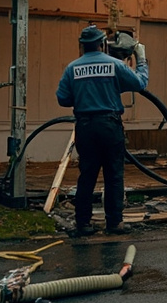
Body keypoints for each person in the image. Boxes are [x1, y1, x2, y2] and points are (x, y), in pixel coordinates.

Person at [56, 25, 148, 236]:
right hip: (109, 125)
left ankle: (83, 224)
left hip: (85, 127)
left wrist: (83, 95)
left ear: (82, 45)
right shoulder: (115, 65)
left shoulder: (72, 68)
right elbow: (140, 83)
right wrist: (141, 59)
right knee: (114, 175)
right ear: (103, 43)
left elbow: (63, 98)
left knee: (87, 175)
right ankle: (114, 223)